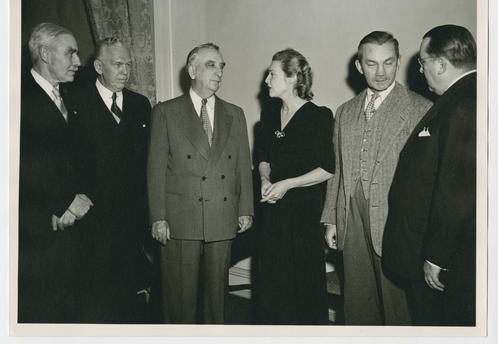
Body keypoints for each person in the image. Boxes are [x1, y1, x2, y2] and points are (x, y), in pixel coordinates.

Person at [321, 31, 432, 325]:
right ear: (359, 67)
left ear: (397, 63)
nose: (380, 72)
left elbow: (426, 180)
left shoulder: (420, 108)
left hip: (394, 218)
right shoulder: (344, 112)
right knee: (357, 299)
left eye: (388, 62)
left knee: (397, 304)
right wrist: (331, 217)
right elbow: (338, 170)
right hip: (351, 215)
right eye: (371, 64)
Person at [147, 43, 254, 324]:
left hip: (222, 216)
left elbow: (243, 165)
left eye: (221, 66)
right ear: (192, 70)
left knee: (217, 301)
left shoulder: (235, 113)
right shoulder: (166, 112)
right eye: (211, 65)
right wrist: (158, 217)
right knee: (179, 301)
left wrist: (246, 209)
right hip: (181, 219)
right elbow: (155, 171)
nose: (219, 72)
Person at [382, 25, 477, 326]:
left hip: (447, 259)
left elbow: (460, 190)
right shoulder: (457, 99)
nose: (420, 70)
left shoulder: (464, 105)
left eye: (422, 62)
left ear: (440, 64)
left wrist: (437, 257)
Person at [68, 37, 152, 323]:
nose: (125, 71)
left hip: (132, 221)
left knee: (131, 298)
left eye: (128, 64)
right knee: (97, 298)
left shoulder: (141, 106)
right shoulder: (75, 103)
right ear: (99, 66)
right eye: (117, 64)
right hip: (93, 222)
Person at [18, 22, 93, 322]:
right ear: (45, 54)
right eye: (70, 53)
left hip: (72, 224)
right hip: (38, 229)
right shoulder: (17, 97)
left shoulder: (72, 95)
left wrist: (79, 201)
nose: (78, 61)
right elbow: (22, 164)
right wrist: (63, 201)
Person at [254, 48, 334, 325]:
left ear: (292, 78)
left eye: (272, 74)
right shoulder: (269, 113)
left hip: (303, 216)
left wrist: (287, 184)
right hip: (271, 212)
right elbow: (263, 156)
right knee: (270, 283)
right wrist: (265, 179)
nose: (266, 80)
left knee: (302, 286)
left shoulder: (320, 116)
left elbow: (327, 168)